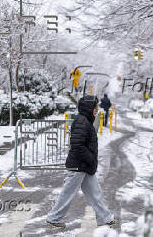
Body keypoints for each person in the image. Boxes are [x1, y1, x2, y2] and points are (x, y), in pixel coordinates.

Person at [46, 95, 117, 229]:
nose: (97, 109)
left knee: (96, 193)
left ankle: (105, 218)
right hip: (79, 165)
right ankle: (53, 217)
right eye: (95, 107)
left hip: (84, 166)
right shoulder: (82, 121)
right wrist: (90, 158)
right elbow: (77, 144)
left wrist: (89, 161)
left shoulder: (85, 120)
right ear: (88, 107)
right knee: (68, 193)